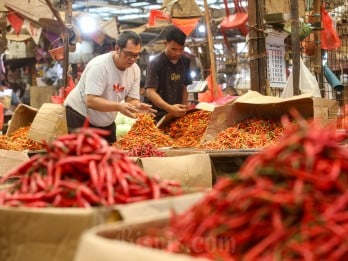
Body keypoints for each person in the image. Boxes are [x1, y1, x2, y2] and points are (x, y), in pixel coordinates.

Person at [64, 31, 155, 144]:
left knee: (110, 156)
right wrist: (118, 106)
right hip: (80, 115)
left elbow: (131, 100)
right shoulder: (100, 66)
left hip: (106, 119)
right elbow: (91, 101)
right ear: (117, 49)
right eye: (128, 54)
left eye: (136, 55)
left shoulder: (135, 69)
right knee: (82, 156)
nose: (132, 59)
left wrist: (137, 106)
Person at [144, 25, 192, 122]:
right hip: (156, 115)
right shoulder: (156, 62)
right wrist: (169, 108)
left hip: (175, 114)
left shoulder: (185, 61)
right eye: (174, 49)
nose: (178, 53)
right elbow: (150, 92)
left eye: (181, 49)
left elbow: (184, 87)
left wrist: (183, 109)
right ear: (165, 43)